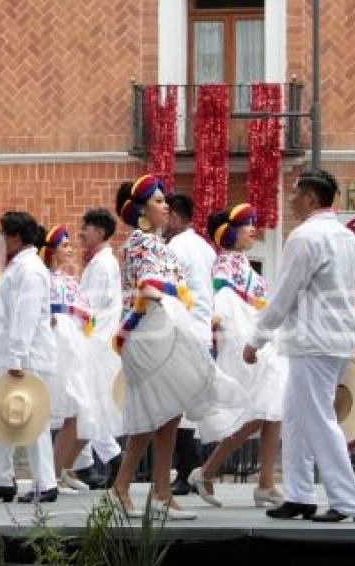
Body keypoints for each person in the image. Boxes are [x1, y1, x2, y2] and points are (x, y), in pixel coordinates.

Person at [110, 174, 247, 520]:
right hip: (146, 333)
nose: (165, 205)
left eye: (164, 199)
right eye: (157, 201)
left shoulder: (161, 246)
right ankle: (121, 488)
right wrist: (171, 306)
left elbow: (171, 290)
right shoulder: (139, 242)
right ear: (141, 210)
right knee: (151, 414)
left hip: (166, 331)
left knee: (171, 413)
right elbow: (147, 287)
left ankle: (161, 491)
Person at [244, 169, 355, 523]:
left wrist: (256, 338)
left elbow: (284, 294)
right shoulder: (346, 238)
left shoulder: (306, 237)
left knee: (317, 419)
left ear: (312, 198)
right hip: (334, 338)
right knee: (297, 419)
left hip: (314, 341)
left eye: (296, 193)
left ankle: (347, 500)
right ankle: (299, 495)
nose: (291, 198)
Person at [191, 204, 287, 509]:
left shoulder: (243, 264)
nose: (253, 230)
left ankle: (265, 483)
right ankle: (207, 471)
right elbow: (220, 302)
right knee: (259, 410)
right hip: (240, 344)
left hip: (259, 342)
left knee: (272, 409)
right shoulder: (224, 265)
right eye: (247, 225)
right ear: (230, 232)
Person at [0, 211, 58, 504]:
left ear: (16, 237)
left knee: (32, 418)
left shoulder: (29, 269)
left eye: (2, 235)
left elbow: (26, 314)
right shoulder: (19, 267)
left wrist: (17, 357)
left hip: (25, 358)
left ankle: (45, 482)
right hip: (6, 354)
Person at [39, 224, 100, 493]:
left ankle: (64, 468)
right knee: (72, 409)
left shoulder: (69, 280)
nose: (70, 249)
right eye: (64, 245)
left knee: (84, 410)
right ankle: (52, 473)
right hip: (58, 349)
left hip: (77, 346)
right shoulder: (42, 278)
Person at [164, 193, 215, 496]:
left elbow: (171, 293)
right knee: (191, 404)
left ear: (173, 217)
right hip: (203, 331)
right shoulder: (205, 247)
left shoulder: (173, 248)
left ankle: (186, 470)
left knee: (176, 405)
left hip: (182, 331)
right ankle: (193, 467)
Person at [72, 208, 123, 488]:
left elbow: (87, 308)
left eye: (86, 228)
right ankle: (85, 465)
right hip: (98, 342)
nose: (82, 233)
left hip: (94, 343)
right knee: (88, 405)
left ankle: (111, 458)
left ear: (100, 232)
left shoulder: (102, 265)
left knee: (91, 405)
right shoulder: (102, 262)